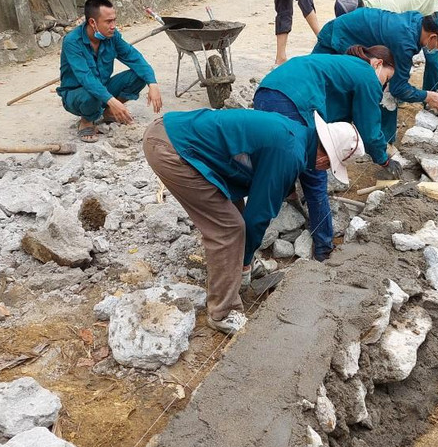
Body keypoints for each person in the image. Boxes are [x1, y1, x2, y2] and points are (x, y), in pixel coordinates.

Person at [142, 108, 366, 335]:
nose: (325, 169)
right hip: (172, 149)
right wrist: (245, 262)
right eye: (330, 165)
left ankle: (234, 265)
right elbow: (258, 216)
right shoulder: (289, 153)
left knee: (234, 214)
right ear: (324, 156)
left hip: (176, 133)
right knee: (229, 229)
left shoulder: (297, 136)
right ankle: (223, 312)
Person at [253, 48, 399, 262]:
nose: (384, 86)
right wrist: (384, 159)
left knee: (278, 157)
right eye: (387, 78)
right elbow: (368, 128)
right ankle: (323, 248)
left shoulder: (344, 66)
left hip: (267, 92)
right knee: (315, 173)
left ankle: (284, 202)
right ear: (377, 64)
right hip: (292, 100)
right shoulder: (367, 76)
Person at [313, 7, 438, 143]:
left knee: (384, 83)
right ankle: (321, 138)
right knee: (323, 89)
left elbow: (396, 82)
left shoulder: (416, 22)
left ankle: (384, 139)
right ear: (433, 37)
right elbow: (398, 89)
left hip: (352, 30)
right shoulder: (404, 42)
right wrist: (427, 96)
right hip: (337, 38)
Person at [57, 0, 162, 143]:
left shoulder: (112, 36)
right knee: (91, 94)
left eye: (114, 20)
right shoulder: (72, 42)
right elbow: (86, 79)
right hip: (77, 94)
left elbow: (134, 58)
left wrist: (153, 83)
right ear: (92, 22)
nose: (113, 25)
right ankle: (86, 121)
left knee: (139, 76)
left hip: (103, 88)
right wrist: (112, 100)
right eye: (108, 21)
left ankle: (108, 112)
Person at [333, 0, 438, 97]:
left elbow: (397, 47)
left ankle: (434, 95)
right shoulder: (367, 8)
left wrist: (397, 84)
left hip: (434, 14)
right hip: (416, 12)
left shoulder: (384, 12)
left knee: (431, 56)